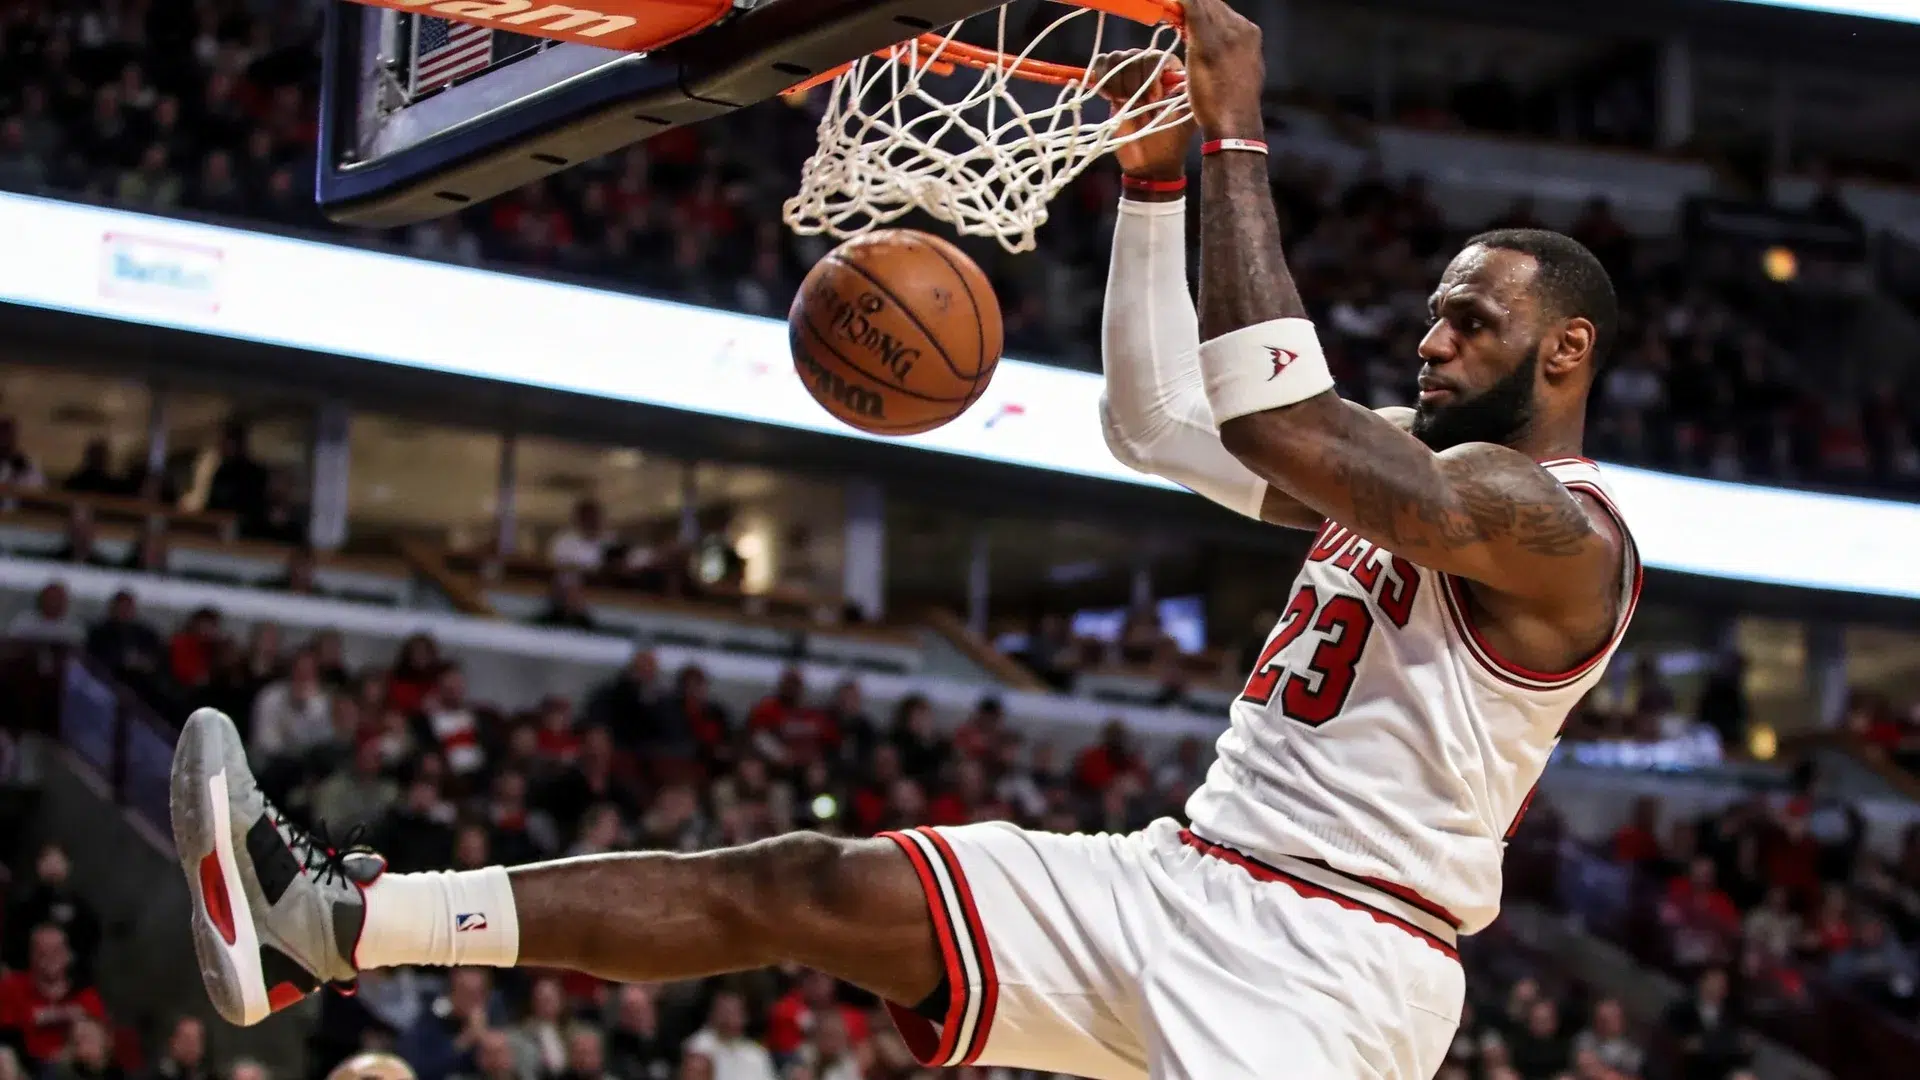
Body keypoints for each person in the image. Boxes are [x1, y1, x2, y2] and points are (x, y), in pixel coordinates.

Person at [167, 5, 1636, 1080]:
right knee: (805, 885)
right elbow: (1159, 425)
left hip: (1334, 963)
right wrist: (1153, 180)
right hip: (1181, 876)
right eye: (1434, 312)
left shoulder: (1561, 534)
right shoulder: (1402, 472)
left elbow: (1278, 425)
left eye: (1471, 320)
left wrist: (1232, 128)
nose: (1433, 339)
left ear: (1565, 351)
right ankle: (337, 924)